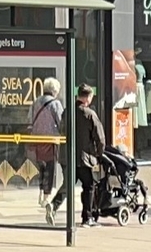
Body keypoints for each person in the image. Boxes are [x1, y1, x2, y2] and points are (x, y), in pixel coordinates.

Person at [73, 83, 111, 225]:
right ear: (88, 97)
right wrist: (100, 154)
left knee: (67, 186)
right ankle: (87, 217)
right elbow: (100, 137)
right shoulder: (89, 114)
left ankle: (53, 206)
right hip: (85, 157)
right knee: (89, 186)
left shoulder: (68, 111)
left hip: (70, 157)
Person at [31, 77, 65, 218]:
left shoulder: (36, 102)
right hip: (51, 140)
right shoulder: (56, 104)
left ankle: (40, 192)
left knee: (42, 167)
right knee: (50, 167)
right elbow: (61, 121)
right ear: (54, 91)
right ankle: (46, 196)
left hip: (37, 138)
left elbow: (30, 118)